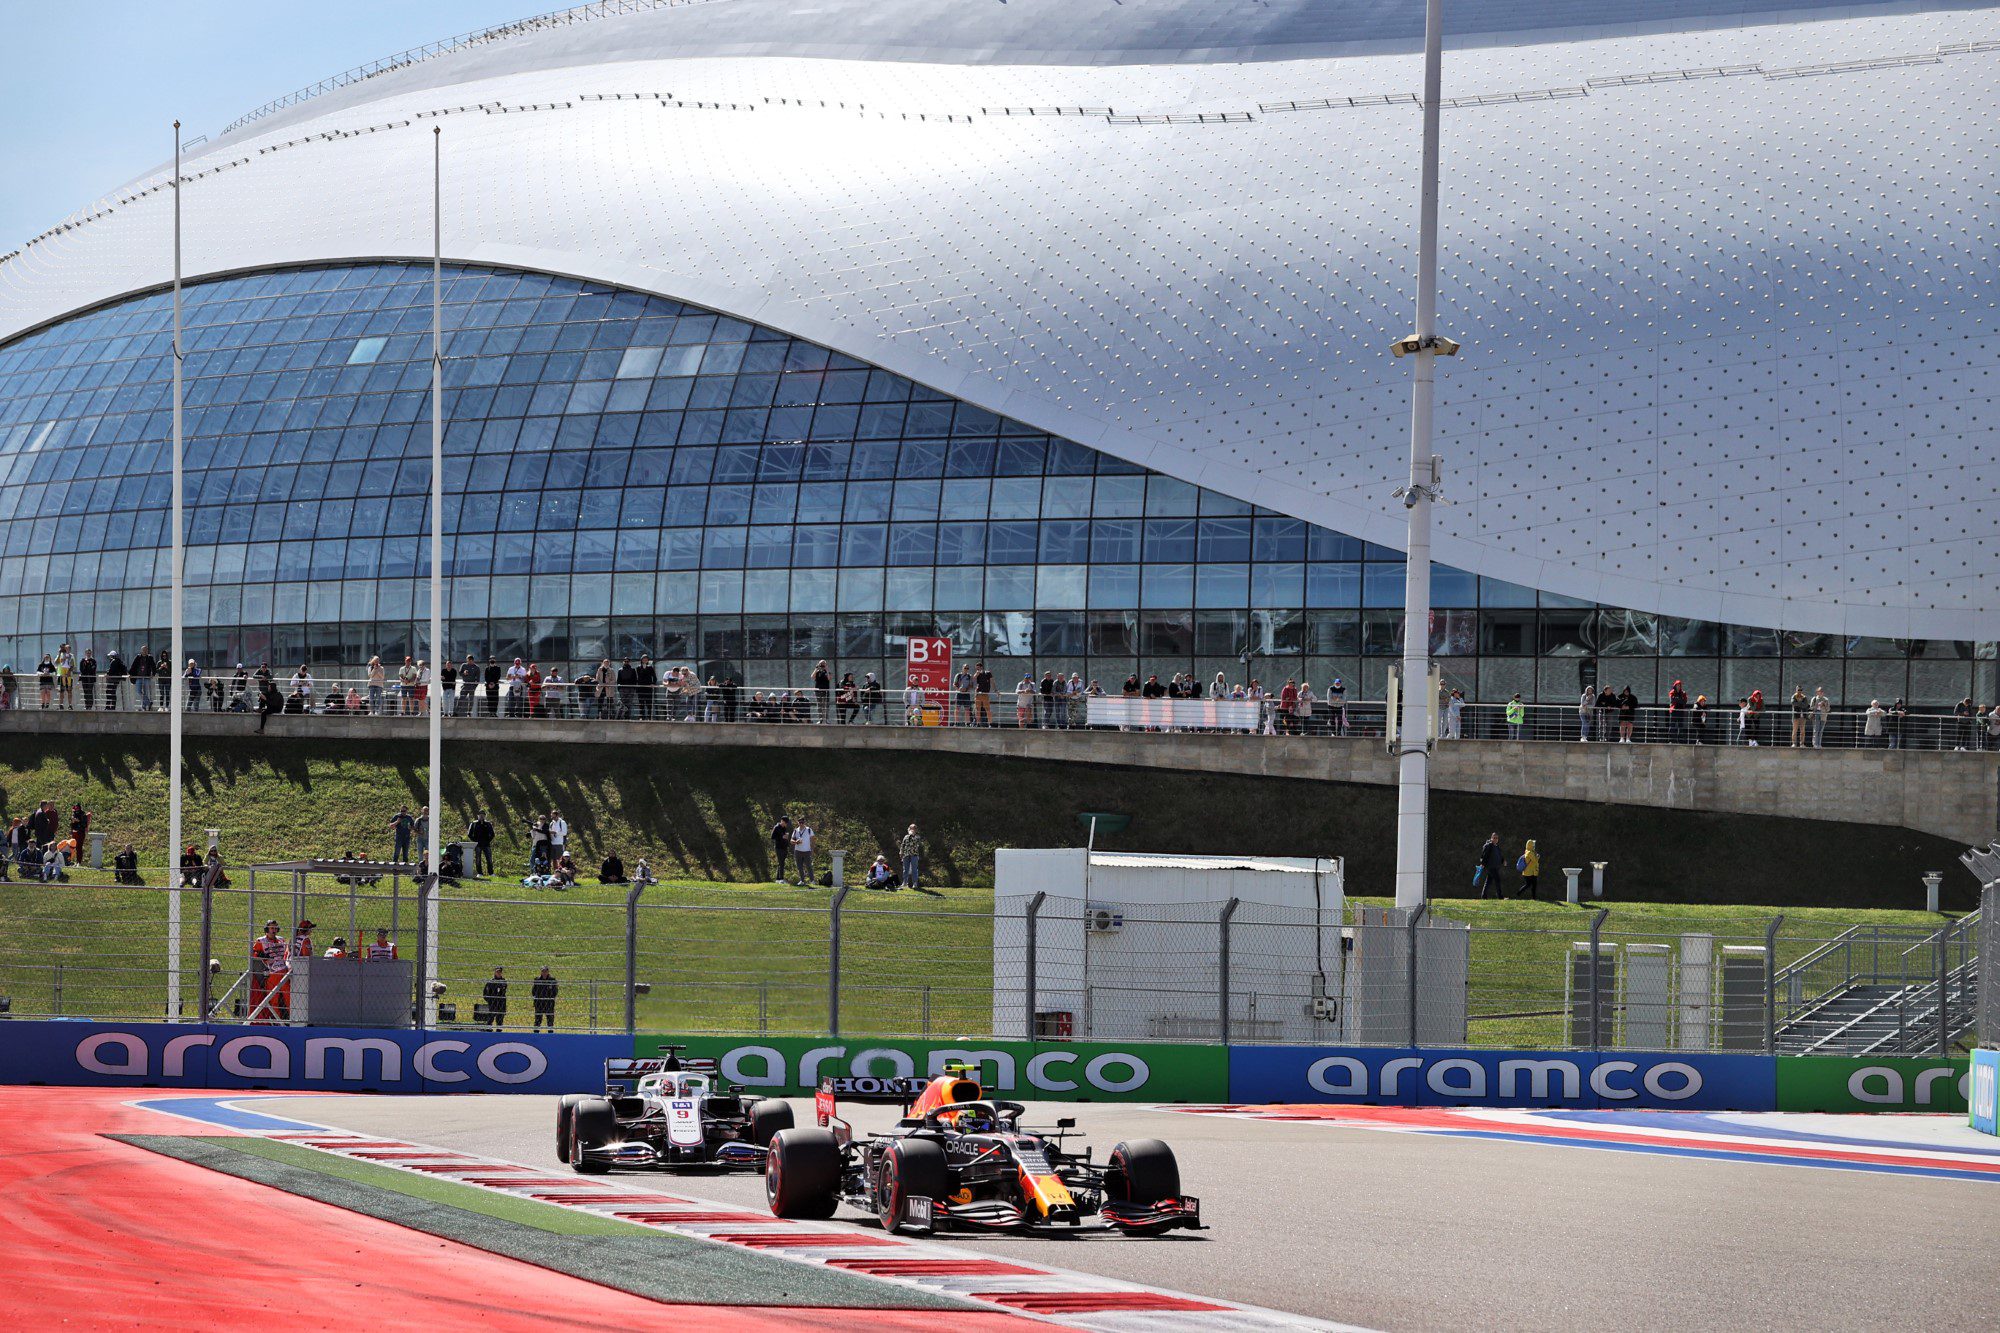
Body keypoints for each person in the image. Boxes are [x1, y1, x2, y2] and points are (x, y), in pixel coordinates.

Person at [250, 919, 292, 1022]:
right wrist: (262, 956)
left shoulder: (281, 939)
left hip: (284, 971)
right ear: (266, 929)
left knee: (289, 997)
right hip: (272, 973)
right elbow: (253, 953)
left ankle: (292, 1018)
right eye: (272, 928)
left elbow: (287, 953)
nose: (274, 930)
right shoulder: (261, 941)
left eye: (275, 928)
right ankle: (277, 1021)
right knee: (274, 999)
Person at [1476, 832, 1506, 899]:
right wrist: (1483, 864)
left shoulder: (1496, 846)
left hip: (1495, 866)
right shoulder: (1489, 845)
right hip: (1491, 867)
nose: (1495, 839)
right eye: (1494, 838)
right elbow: (1485, 856)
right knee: (1497, 880)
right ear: (1491, 838)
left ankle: (1484, 896)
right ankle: (1500, 897)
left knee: (1488, 881)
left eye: (1497, 838)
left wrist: (1503, 861)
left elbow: (1500, 855)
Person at [466, 811, 495, 876]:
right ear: (478, 816)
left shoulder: (488, 824)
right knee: (478, 859)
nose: (481, 816)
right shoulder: (473, 823)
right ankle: (479, 873)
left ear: (485, 816)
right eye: (480, 815)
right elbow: (469, 834)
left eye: (483, 815)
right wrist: (475, 841)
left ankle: (491, 873)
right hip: (477, 845)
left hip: (486, 844)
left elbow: (492, 834)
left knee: (489, 859)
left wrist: (488, 841)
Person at [899, 823, 925, 893]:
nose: (912, 829)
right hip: (906, 855)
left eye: (914, 828)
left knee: (914, 870)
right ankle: (904, 883)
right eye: (911, 828)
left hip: (914, 855)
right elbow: (903, 845)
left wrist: (912, 835)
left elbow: (916, 843)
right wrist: (901, 852)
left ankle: (915, 883)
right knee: (905, 869)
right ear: (909, 829)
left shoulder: (917, 837)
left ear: (916, 830)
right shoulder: (906, 836)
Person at [792, 816, 816, 886]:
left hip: (806, 851)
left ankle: (812, 880)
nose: (801, 824)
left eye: (802, 822)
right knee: (799, 867)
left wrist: (812, 849)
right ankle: (802, 880)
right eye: (800, 822)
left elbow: (813, 839)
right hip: (798, 851)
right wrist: (796, 842)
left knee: (809, 866)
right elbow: (791, 840)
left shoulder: (809, 829)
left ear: (804, 822)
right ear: (798, 823)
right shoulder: (796, 830)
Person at [770, 813, 793, 884]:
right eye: (785, 822)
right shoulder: (776, 827)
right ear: (782, 821)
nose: (785, 824)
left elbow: (784, 837)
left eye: (786, 823)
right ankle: (781, 879)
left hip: (784, 847)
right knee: (781, 863)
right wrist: (781, 837)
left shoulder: (784, 828)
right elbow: (772, 837)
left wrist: (786, 837)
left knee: (780, 863)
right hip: (778, 848)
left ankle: (778, 879)